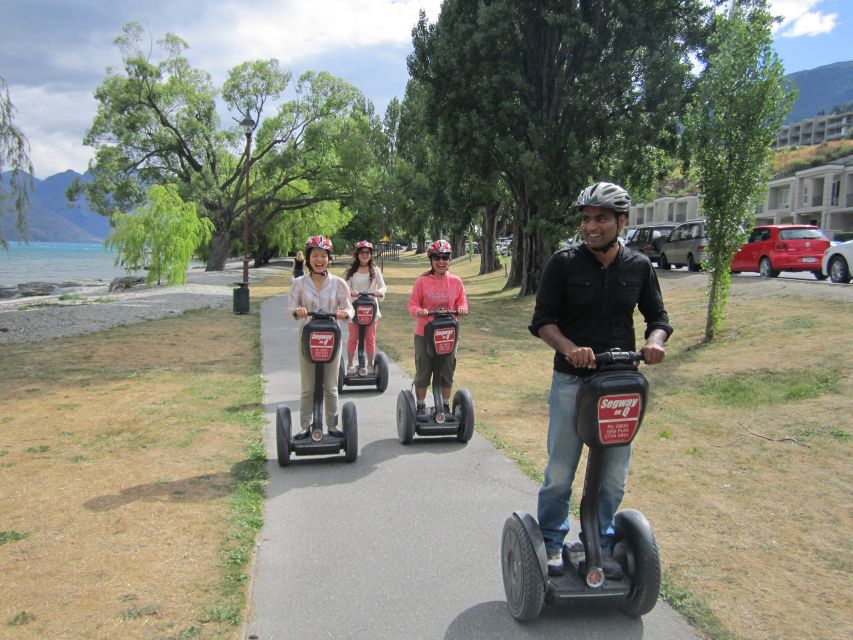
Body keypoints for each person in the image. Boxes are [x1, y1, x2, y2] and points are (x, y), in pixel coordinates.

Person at [528, 181, 672, 578]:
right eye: (586, 219)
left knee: (613, 473)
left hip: (621, 382)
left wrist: (655, 342)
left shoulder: (639, 266)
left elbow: (658, 319)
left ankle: (603, 543)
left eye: (601, 219)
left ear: (621, 221)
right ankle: (553, 543)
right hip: (573, 381)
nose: (591, 227)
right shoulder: (564, 263)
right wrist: (569, 347)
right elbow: (542, 322)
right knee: (560, 469)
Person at [288, 236, 353, 436]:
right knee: (308, 386)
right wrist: (297, 311)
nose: (319, 259)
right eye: (315, 255)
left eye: (323, 256)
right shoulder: (298, 283)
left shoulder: (339, 284)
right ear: (308, 259)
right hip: (307, 339)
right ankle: (305, 427)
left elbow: (350, 310)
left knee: (331, 386)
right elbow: (289, 309)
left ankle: (332, 426)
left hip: (331, 339)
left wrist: (344, 313)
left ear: (329, 259)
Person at [407, 239, 469, 419]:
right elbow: (412, 305)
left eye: (445, 257)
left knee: (447, 370)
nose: (441, 261)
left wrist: (462, 309)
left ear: (450, 259)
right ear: (431, 259)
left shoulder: (456, 282)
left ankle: (445, 405)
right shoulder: (422, 281)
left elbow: (462, 302)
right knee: (424, 370)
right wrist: (420, 311)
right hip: (424, 333)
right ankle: (420, 406)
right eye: (437, 258)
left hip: (448, 333)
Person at [343, 240, 387, 375]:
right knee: (353, 338)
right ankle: (350, 365)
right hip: (354, 310)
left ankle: (369, 364)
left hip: (371, 310)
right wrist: (351, 292)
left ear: (371, 254)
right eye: (362, 252)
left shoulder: (375, 270)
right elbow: (344, 288)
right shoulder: (351, 271)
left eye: (368, 252)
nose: (365, 255)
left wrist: (380, 292)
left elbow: (383, 286)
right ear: (357, 254)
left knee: (370, 338)